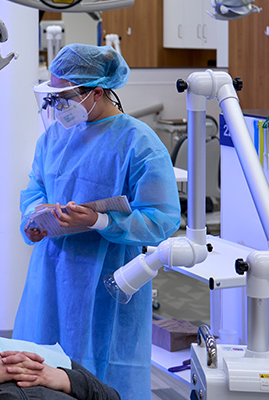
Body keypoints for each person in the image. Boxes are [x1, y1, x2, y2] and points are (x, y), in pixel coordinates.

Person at [13, 44, 181, 400]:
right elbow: (34, 189)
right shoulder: (53, 137)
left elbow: (162, 220)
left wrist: (101, 220)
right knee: (41, 366)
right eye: (53, 98)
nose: (58, 106)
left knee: (104, 373)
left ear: (97, 92)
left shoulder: (139, 143)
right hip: (52, 274)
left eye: (65, 97)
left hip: (109, 278)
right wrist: (35, 218)